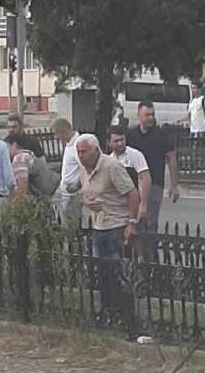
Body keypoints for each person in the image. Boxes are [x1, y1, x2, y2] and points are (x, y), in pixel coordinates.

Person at [77, 135, 141, 336]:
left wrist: (131, 222)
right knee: (103, 273)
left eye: (84, 151)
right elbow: (85, 193)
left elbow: (132, 194)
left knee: (119, 273)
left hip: (116, 224)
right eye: (78, 152)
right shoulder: (83, 169)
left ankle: (128, 318)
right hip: (98, 226)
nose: (81, 156)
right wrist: (87, 203)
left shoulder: (111, 166)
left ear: (96, 150)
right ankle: (108, 312)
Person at [126, 100, 180, 260]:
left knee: (150, 221)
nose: (150, 118)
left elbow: (171, 159)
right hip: (133, 185)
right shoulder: (131, 135)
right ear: (139, 116)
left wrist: (174, 186)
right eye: (147, 115)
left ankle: (150, 257)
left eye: (152, 114)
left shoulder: (162, 135)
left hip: (154, 184)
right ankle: (136, 255)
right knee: (134, 220)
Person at [107, 125, 151, 217]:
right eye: (116, 141)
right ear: (109, 143)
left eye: (122, 139)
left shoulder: (135, 155)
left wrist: (143, 204)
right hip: (116, 206)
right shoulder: (109, 160)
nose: (120, 143)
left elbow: (145, 178)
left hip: (134, 202)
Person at [51, 117, 85, 224]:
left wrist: (77, 185)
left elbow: (84, 167)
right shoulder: (69, 144)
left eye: (57, 134)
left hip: (73, 194)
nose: (56, 137)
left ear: (64, 131)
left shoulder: (77, 144)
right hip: (66, 192)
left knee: (71, 223)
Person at [6, 133, 59, 198]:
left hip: (51, 194)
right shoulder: (27, 154)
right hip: (55, 189)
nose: (4, 151)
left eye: (6, 147)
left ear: (14, 145)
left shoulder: (20, 159)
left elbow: (22, 187)